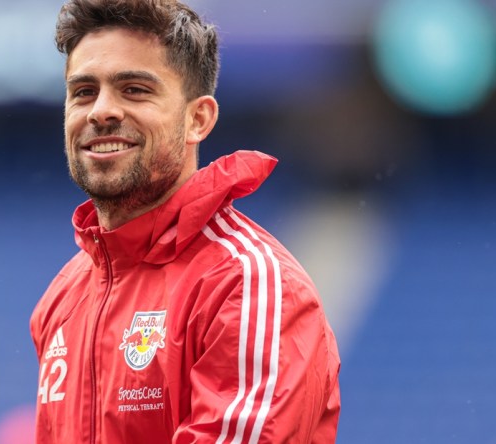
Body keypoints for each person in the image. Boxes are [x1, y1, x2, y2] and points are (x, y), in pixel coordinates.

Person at [29, 0, 341, 442]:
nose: (100, 111)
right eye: (83, 92)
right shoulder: (61, 300)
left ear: (199, 119)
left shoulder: (246, 283)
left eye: (134, 89)